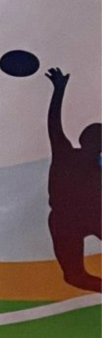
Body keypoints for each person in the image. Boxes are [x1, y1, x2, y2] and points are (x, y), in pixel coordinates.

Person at [43, 67, 102, 291]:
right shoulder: (65, 153)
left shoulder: (96, 164)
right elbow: (54, 126)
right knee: (74, 276)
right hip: (66, 219)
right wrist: (58, 91)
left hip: (91, 214)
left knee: (75, 277)